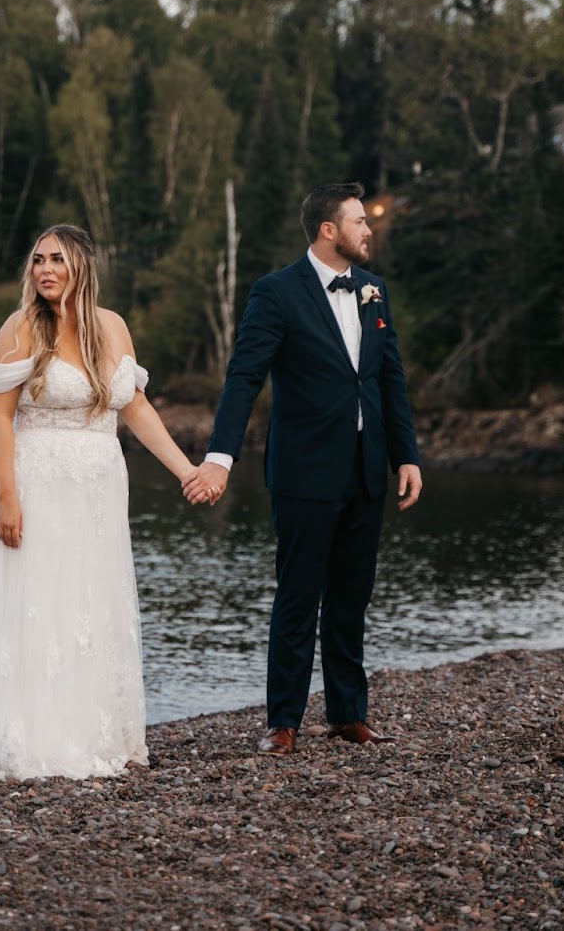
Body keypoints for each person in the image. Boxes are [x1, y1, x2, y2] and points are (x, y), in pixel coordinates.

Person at [0, 223, 201, 784]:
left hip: (99, 488)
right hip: (35, 485)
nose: (45, 270)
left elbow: (134, 409)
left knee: (90, 605)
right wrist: (7, 498)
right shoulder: (19, 329)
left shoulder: (111, 328)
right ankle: (30, 740)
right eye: (37, 260)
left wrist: (187, 470)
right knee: (36, 604)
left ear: (82, 266)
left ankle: (95, 733)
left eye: (57, 259)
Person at [185, 182, 423, 756]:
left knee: (351, 597)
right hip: (304, 473)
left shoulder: (373, 290)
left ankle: (348, 714)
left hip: (367, 470)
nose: (368, 230)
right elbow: (244, 377)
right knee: (297, 597)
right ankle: (283, 721)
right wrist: (220, 457)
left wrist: (406, 454)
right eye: (359, 222)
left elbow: (388, 377)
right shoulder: (276, 293)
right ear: (328, 230)